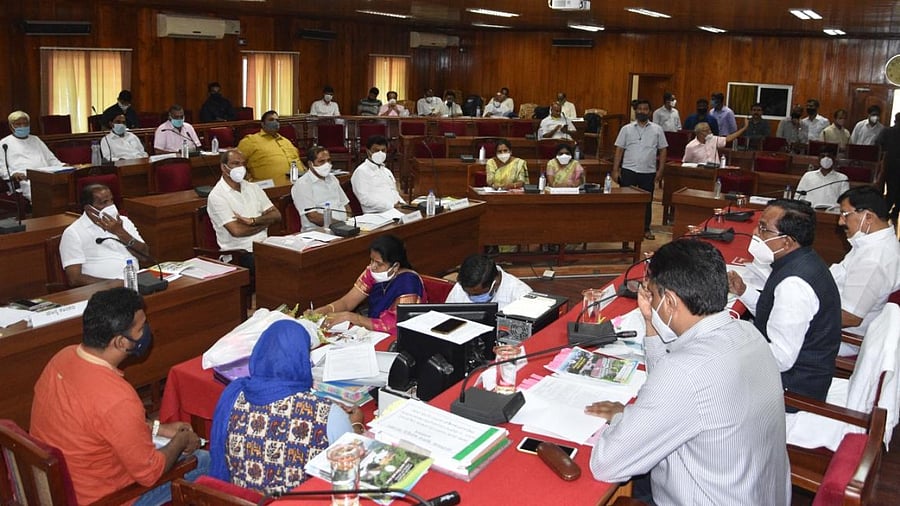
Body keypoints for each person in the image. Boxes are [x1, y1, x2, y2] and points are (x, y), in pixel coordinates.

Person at [587, 240, 789, 506]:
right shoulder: (747, 332)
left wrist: (622, 421)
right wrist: (650, 322)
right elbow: (668, 388)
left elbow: (606, 464)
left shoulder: (684, 372)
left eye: (652, 295)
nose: (649, 301)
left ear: (670, 301)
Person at [30, 287, 205, 505]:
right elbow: (150, 473)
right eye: (141, 328)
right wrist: (181, 441)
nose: (147, 331)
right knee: (204, 460)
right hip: (107, 499)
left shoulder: (61, 358)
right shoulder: (118, 398)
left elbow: (104, 424)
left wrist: (159, 428)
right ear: (121, 342)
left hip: (64, 487)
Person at [209, 320, 363, 494]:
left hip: (242, 498)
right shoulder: (328, 414)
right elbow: (352, 469)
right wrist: (356, 426)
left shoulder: (234, 395)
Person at [727, 199, 842, 402]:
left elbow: (781, 358)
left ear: (787, 242)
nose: (755, 232)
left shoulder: (793, 285)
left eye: (763, 229)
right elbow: (774, 313)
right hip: (798, 374)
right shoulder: (802, 259)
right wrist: (743, 291)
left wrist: (732, 344)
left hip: (792, 389)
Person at [314, 235, 424, 333]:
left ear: (395, 266)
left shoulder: (408, 283)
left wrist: (352, 317)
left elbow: (394, 326)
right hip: (372, 331)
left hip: (394, 336)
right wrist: (323, 311)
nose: (373, 266)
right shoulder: (373, 273)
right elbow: (347, 302)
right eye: (372, 260)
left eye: (379, 264)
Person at [831, 187, 900, 340]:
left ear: (868, 217)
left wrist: (803, 314)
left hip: (842, 338)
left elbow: (850, 317)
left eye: (845, 215)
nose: (840, 222)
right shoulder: (868, 243)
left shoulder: (874, 258)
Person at [207, 149, 282, 272]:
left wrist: (253, 221)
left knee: (294, 258)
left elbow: (277, 215)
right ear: (224, 167)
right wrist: (265, 223)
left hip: (265, 245)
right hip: (239, 254)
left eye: (243, 164)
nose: (240, 168)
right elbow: (237, 231)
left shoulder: (253, 187)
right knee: (277, 266)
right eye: (235, 163)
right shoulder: (217, 196)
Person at [60, 183, 147, 287]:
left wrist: (120, 232)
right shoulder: (73, 233)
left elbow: (144, 256)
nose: (110, 206)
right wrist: (115, 284)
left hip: (136, 283)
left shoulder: (124, 221)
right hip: (103, 290)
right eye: (104, 202)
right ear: (89, 209)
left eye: (111, 200)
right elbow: (75, 279)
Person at [612, 99, 668, 240]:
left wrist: (660, 170)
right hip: (628, 169)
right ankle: (625, 228)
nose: (642, 111)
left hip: (648, 171)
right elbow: (619, 149)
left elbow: (663, 150)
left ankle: (645, 229)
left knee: (647, 202)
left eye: (645, 109)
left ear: (650, 112)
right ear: (635, 111)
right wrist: (615, 169)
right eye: (640, 109)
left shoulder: (657, 129)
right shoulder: (626, 129)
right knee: (626, 201)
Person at [0, 110, 63, 201]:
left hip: (46, 175)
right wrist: (13, 174)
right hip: (24, 179)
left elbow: (50, 158)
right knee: (40, 193)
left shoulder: (35, 139)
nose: (22, 126)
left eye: (25, 124)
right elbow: (2, 167)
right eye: (18, 124)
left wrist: (62, 166)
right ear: (11, 126)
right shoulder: (4, 143)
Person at [292, 146, 351, 231]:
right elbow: (313, 217)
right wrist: (341, 225)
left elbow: (345, 204)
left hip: (344, 227)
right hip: (318, 231)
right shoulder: (302, 184)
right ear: (310, 164)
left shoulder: (332, 178)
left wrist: (349, 222)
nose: (326, 165)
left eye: (328, 160)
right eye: (321, 161)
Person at [445, 254, 531, 311]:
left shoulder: (522, 296)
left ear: (495, 282)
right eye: (468, 293)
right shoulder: (463, 284)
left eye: (477, 294)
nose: (472, 297)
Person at [236, 110, 301, 181]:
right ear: (263, 124)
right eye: (271, 120)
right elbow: (235, 163)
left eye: (277, 120)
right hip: (270, 186)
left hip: (299, 183)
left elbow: (298, 161)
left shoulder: (286, 141)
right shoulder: (250, 140)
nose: (275, 122)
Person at [350, 135, 405, 213]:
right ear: (368, 151)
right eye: (376, 150)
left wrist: (403, 203)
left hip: (395, 210)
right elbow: (364, 199)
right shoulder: (361, 172)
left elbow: (394, 192)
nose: (380, 153)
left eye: (383, 150)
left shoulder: (387, 171)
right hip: (376, 213)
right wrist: (390, 206)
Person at [682, 119, 748, 164]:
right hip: (700, 172)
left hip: (716, 170)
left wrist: (744, 128)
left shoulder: (713, 139)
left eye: (709, 130)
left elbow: (728, 139)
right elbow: (686, 163)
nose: (710, 132)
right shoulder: (690, 146)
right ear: (699, 133)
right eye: (706, 131)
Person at [877, 112, 900, 223]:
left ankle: (885, 211)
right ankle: (895, 212)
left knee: (890, 189)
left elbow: (878, 143)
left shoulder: (887, 131)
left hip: (889, 164)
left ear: (895, 120)